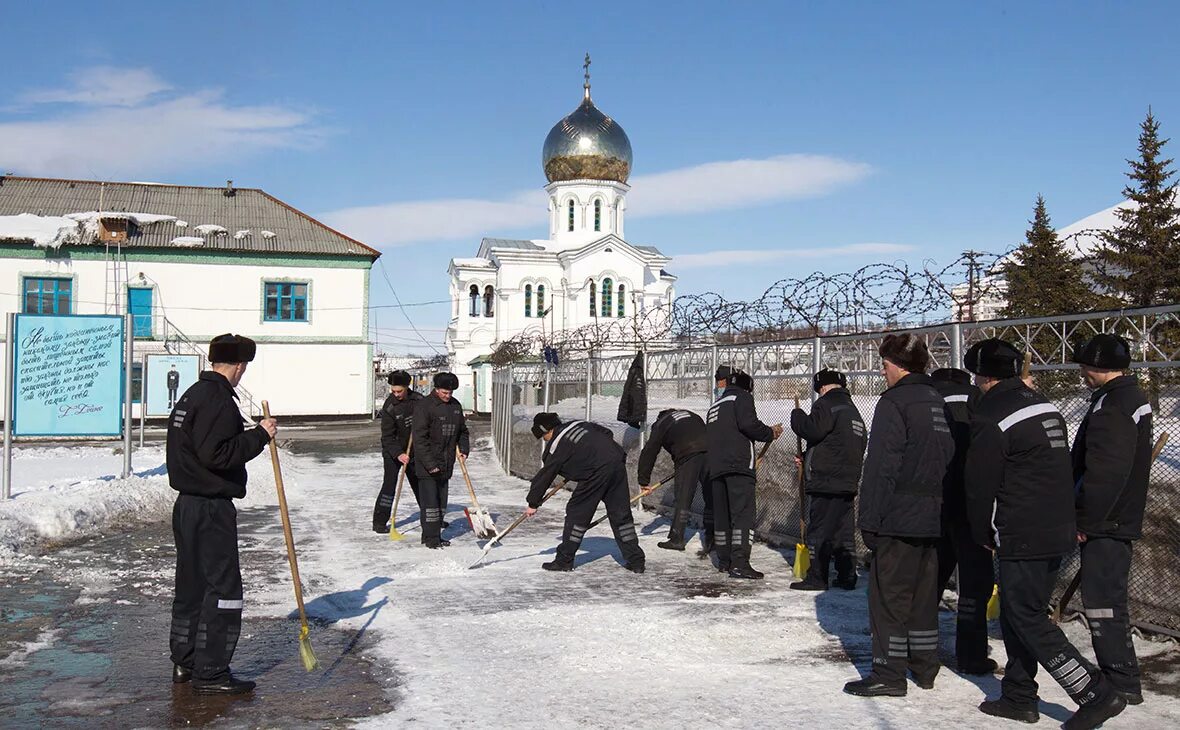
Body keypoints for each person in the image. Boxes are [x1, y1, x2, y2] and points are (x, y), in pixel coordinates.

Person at [964, 338, 1125, 729]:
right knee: (1022, 614)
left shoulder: (992, 416)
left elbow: (980, 483)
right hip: (1057, 525)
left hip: (1021, 529)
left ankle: (1094, 692)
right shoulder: (1044, 406)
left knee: (1027, 616)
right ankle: (1019, 696)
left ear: (983, 376)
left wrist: (979, 528)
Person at [845, 334, 954, 698]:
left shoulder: (895, 402)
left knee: (889, 598)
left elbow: (881, 466)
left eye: (886, 364)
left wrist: (870, 521)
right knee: (924, 595)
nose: (882, 371)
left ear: (899, 366)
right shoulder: (936, 400)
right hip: (933, 514)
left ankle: (888, 673)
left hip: (898, 515)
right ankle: (924, 666)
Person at [166, 334, 276, 695]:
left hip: (188, 505)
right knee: (223, 589)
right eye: (245, 366)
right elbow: (217, 454)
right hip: (210, 508)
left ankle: (186, 660)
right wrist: (260, 435)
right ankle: (211, 671)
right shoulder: (218, 401)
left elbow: (200, 449)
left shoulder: (192, 395)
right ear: (240, 365)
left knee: (192, 585)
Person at [1071, 334, 1153, 707]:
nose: (1083, 374)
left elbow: (1105, 471)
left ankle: (1121, 679)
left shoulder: (1113, 405)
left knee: (1103, 602)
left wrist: (1086, 518)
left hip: (1108, 520)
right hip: (1117, 516)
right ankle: (1122, 675)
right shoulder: (1129, 397)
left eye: (1086, 367)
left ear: (1098, 367)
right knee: (1108, 600)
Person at [929, 367, 995, 675]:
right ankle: (972, 656)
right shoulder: (979, 399)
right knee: (974, 586)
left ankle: (920, 650)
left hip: (935, 505)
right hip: (973, 507)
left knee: (930, 580)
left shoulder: (928, 398)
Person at [525, 413, 646, 573]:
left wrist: (533, 502)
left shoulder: (557, 445)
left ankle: (564, 560)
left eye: (543, 436)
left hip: (596, 472)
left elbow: (546, 475)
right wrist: (583, 458)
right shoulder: (579, 424)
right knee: (621, 514)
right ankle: (636, 561)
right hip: (616, 462)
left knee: (577, 514)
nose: (544, 440)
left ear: (547, 431)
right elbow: (607, 434)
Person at [788, 368, 866, 591]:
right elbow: (841, 443)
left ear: (822, 387)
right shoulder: (853, 411)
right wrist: (807, 456)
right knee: (843, 532)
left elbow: (813, 430)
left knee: (819, 530)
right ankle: (847, 575)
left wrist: (797, 416)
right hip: (848, 481)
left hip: (826, 480)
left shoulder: (826, 404)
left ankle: (816, 577)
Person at [706, 367, 782, 579]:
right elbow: (749, 424)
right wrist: (769, 433)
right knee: (742, 515)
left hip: (716, 468)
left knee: (722, 516)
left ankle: (724, 561)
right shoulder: (742, 398)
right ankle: (740, 563)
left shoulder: (714, 407)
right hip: (738, 466)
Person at [637, 407, 714, 553]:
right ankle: (713, 537)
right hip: (710, 451)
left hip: (688, 454)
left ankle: (677, 539)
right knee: (711, 496)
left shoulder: (661, 424)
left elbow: (650, 451)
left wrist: (643, 481)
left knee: (683, 498)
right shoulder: (691, 414)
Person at [411, 372, 469, 548]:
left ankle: (433, 534)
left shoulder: (455, 406)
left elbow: (462, 432)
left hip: (446, 463)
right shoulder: (424, 406)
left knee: (441, 504)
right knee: (430, 504)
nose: (447, 396)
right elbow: (419, 439)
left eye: (450, 392)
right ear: (436, 389)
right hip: (427, 465)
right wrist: (431, 464)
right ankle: (431, 538)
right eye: (444, 392)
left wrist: (464, 449)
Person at [373, 370, 422, 533]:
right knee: (389, 485)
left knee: (420, 484)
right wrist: (399, 454)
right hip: (393, 453)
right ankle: (379, 522)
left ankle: (430, 519)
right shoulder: (390, 407)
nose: (396, 394)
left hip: (414, 451)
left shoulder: (419, 401)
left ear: (407, 388)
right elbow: (387, 437)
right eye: (393, 391)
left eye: (399, 391)